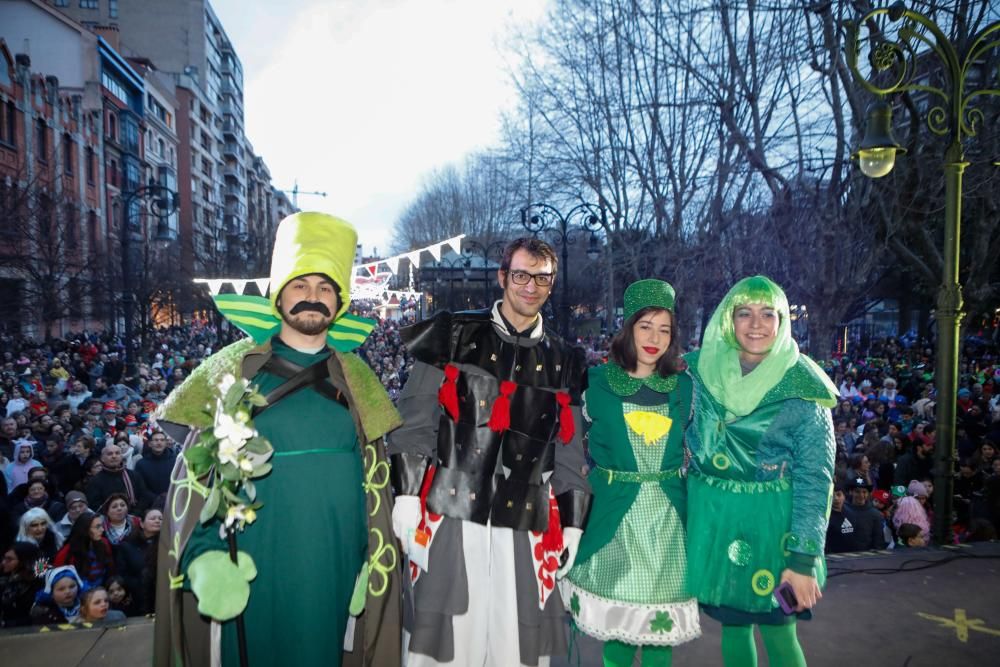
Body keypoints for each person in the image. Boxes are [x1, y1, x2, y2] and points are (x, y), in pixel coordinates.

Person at [155, 212, 403, 667]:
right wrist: (206, 556)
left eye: (326, 287)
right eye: (301, 285)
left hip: (334, 568)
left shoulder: (359, 380)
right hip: (254, 566)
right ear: (278, 294)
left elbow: (375, 482)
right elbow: (195, 480)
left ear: (340, 302)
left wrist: (373, 554)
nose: (313, 297)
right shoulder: (233, 370)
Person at [389, 237, 591, 667]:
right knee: (445, 641)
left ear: (551, 284)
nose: (530, 287)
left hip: (524, 523)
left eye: (542, 278)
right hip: (450, 510)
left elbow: (568, 449)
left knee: (513, 645)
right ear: (503, 277)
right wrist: (406, 495)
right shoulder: (453, 335)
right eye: (521, 275)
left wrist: (573, 522)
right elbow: (416, 419)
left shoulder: (565, 359)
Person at [685, 276, 838, 667]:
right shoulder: (697, 371)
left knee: (780, 631)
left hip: (776, 533)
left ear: (783, 320)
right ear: (727, 320)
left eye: (768, 313)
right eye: (745, 313)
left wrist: (802, 560)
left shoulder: (803, 384)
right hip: (716, 529)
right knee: (733, 628)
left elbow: (815, 478)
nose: (756, 324)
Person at [560, 280, 700, 666]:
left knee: (660, 630)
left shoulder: (686, 387)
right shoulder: (596, 383)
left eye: (664, 329)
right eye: (645, 326)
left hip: (668, 523)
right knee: (619, 631)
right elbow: (567, 449)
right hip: (614, 518)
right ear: (628, 329)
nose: (654, 338)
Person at [84, 442, 153, 513]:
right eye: (110, 454)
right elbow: (94, 505)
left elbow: (144, 496)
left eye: (117, 453)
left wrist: (135, 513)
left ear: (121, 456)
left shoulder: (134, 475)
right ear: (102, 458)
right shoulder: (96, 481)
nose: (114, 456)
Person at [53, 511, 115, 587]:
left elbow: (110, 570)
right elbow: (57, 579)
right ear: (85, 530)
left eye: (102, 526)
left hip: (102, 589)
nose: (102, 529)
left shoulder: (104, 543)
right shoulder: (67, 552)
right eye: (97, 527)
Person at [1, 542, 42, 627]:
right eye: (4, 558)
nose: (3, 563)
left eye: (9, 559)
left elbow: (33, 618)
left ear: (24, 561)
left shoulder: (36, 585)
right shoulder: (6, 580)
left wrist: (4, 624)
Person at [842, 476, 887, 551]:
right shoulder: (841, 510)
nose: (861, 495)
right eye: (857, 491)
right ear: (851, 492)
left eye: (864, 492)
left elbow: (878, 541)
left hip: (865, 558)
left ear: (868, 494)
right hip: (841, 556)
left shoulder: (876, 515)